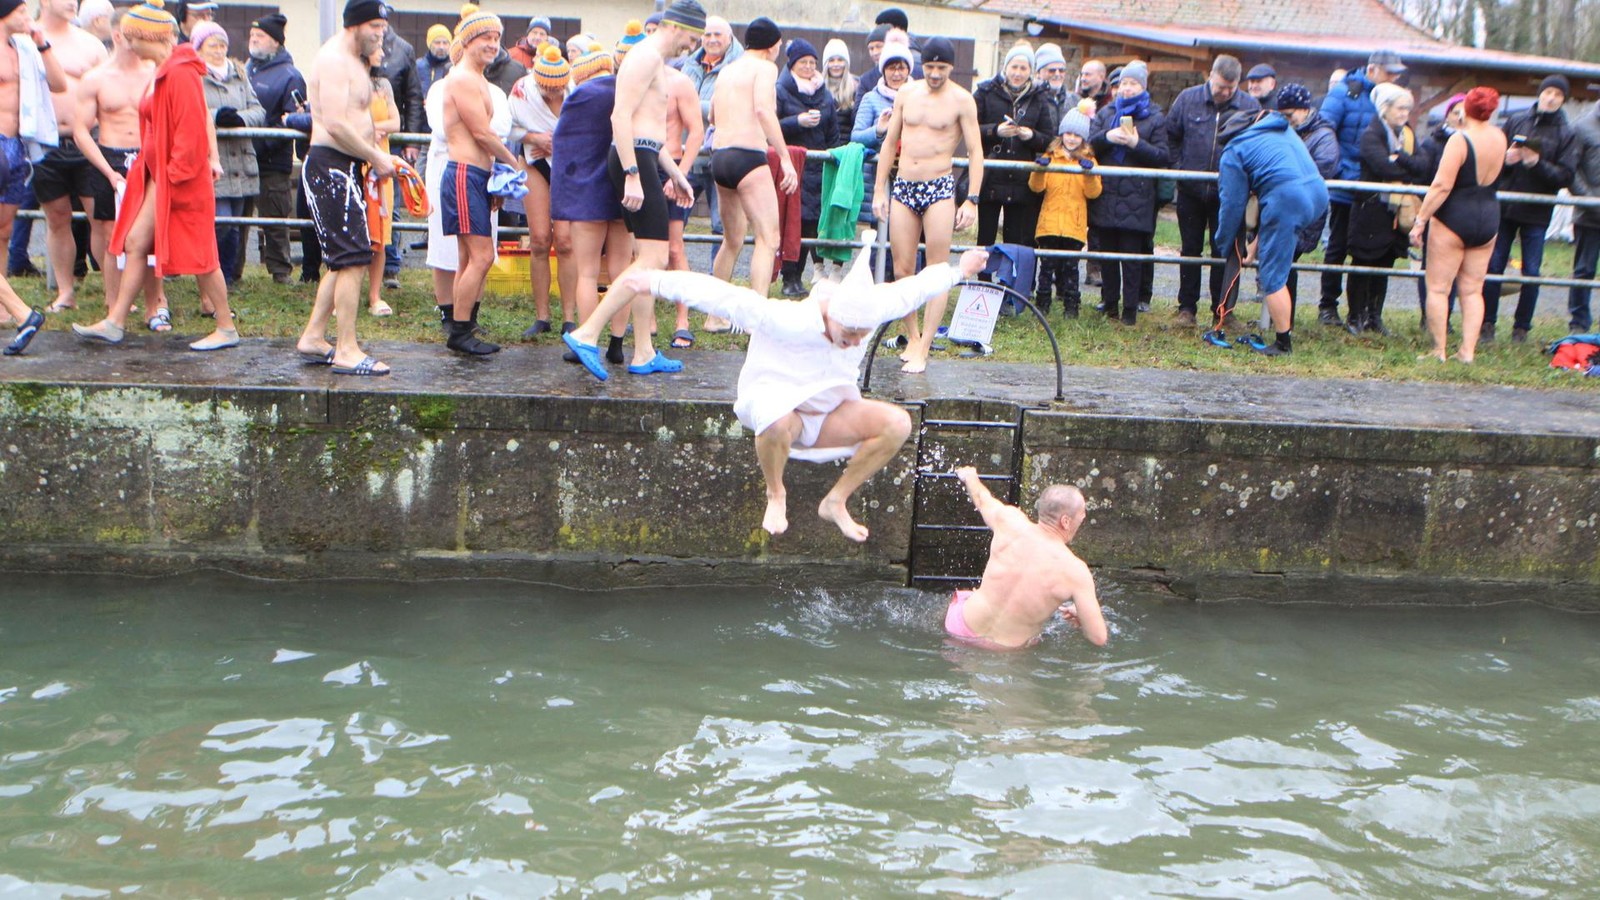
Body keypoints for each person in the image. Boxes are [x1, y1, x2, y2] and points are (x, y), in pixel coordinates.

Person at [567, 233, 990, 542]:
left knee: (896, 423)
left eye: (863, 334)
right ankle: (776, 491)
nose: (856, 340)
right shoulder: (787, 318)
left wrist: (959, 270)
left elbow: (914, 288)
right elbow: (718, 295)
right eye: (849, 332)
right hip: (772, 406)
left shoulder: (874, 308)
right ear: (830, 316)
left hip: (826, 413)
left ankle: (836, 500)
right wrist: (653, 282)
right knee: (774, 417)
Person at [72, 0, 238, 352]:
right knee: (135, 242)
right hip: (159, 177)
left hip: (178, 181)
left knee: (201, 255)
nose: (128, 44)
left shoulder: (179, 73)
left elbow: (191, 133)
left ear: (150, 37)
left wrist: (173, 179)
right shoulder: (164, 70)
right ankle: (115, 321)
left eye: (133, 37)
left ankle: (225, 326)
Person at [563, 0, 703, 376]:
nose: (692, 47)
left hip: (644, 158)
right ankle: (587, 333)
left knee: (645, 258)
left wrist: (676, 173)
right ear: (674, 26)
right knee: (653, 259)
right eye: (692, 38)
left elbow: (648, 132)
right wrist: (631, 173)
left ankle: (643, 351)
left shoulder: (653, 60)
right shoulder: (644, 56)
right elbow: (620, 117)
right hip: (633, 161)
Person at [295, 0, 398, 376]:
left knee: (344, 261)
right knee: (353, 260)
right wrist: (376, 155)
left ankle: (313, 337)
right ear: (354, 24)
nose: (380, 33)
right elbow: (336, 124)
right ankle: (347, 349)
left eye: (383, 27)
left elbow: (360, 121)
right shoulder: (335, 60)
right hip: (329, 167)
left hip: (349, 166)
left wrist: (379, 158)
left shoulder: (359, 61)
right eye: (374, 26)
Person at [871, 36, 983, 374]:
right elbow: (890, 143)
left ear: (951, 67)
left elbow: (976, 151)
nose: (935, 74)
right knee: (903, 269)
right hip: (904, 185)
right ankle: (914, 336)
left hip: (939, 186)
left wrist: (972, 199)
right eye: (930, 67)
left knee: (936, 271)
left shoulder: (962, 100)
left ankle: (926, 346)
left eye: (942, 68)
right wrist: (879, 190)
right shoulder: (907, 93)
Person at [946, 466, 1107, 651]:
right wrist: (1082, 617)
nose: (1082, 520)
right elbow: (1098, 637)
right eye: (1082, 516)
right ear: (1065, 521)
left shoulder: (1010, 520)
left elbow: (982, 499)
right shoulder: (1075, 571)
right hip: (1003, 651)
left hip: (958, 626)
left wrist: (970, 477)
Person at [438, 6, 522, 356]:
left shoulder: (478, 80)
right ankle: (459, 331)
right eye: (485, 37)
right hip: (462, 174)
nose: (493, 44)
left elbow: (484, 139)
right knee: (483, 256)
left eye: (497, 38)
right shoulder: (461, 79)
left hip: (476, 176)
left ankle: (464, 324)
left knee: (468, 258)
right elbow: (482, 134)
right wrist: (513, 163)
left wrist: (497, 177)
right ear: (468, 40)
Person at [1213, 109, 1330, 356]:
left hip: (1287, 199)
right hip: (1317, 193)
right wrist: (1252, 249)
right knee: (1273, 251)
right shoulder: (1280, 129)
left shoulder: (1234, 151)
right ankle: (1283, 333)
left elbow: (1232, 205)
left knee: (1272, 276)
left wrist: (1223, 243)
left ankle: (1283, 343)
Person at [703, 16, 794, 332]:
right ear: (772, 45)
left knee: (732, 240)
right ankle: (758, 319)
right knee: (769, 239)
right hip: (748, 156)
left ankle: (714, 316)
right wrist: (785, 157)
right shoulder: (766, 68)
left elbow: (712, 113)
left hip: (720, 156)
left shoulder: (727, 69)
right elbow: (762, 110)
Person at [72, 7, 161, 323]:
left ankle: (155, 304)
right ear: (118, 35)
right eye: (134, 34)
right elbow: (81, 129)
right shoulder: (96, 78)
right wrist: (106, 170)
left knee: (150, 232)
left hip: (146, 154)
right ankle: (114, 302)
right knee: (110, 232)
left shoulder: (153, 72)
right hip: (109, 154)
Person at [1410, 87, 1506, 363]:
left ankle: (1439, 350)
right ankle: (1467, 351)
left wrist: (1421, 220)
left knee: (1439, 288)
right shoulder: (1500, 137)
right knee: (1473, 289)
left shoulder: (1460, 140)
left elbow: (1441, 186)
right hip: (1488, 216)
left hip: (1454, 217)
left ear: (1466, 108)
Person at [1483, 74, 1578, 343]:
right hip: (1506, 206)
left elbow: (1565, 176)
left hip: (1538, 210)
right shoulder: (1516, 120)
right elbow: (1493, 160)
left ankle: (1521, 328)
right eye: (1548, 92)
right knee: (1494, 264)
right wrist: (1506, 159)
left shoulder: (1566, 133)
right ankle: (1487, 323)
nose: (1551, 98)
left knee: (1532, 270)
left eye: (1558, 95)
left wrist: (1537, 163)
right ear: (1539, 93)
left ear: (1563, 100)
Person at [1167, 55, 1258, 327]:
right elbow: (1171, 135)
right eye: (1221, 86)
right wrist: (1179, 169)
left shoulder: (1249, 107)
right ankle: (1186, 308)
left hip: (1230, 195)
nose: (1225, 93)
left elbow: (1254, 145)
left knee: (1226, 251)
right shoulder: (1187, 99)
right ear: (1211, 76)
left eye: (1231, 88)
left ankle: (1223, 311)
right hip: (1191, 191)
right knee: (1190, 249)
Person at [1318, 49, 1406, 327]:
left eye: (1396, 73)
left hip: (1377, 188)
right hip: (1347, 185)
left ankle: (1366, 311)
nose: (1394, 77)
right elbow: (1324, 131)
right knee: (1338, 245)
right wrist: (1341, 171)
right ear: (1372, 70)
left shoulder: (1393, 99)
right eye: (1389, 72)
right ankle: (1328, 306)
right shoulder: (1344, 94)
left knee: (1374, 249)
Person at [33, 0, 107, 314]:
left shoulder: (89, 44)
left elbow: (109, 85)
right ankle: (65, 291)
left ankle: (113, 290)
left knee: (101, 220)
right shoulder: (24, 42)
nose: (72, 3)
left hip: (88, 140)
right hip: (46, 142)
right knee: (57, 219)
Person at [1086, 60, 1167, 326]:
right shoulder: (1107, 112)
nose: (1127, 88)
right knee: (1107, 253)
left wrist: (1136, 143)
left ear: (1143, 86)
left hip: (1138, 196)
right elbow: (1089, 146)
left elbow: (1162, 156)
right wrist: (1107, 137)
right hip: (1107, 192)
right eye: (1123, 84)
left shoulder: (1155, 117)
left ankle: (1130, 310)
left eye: (1133, 83)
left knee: (1131, 257)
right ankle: (1109, 304)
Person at [1344, 83, 1428, 336]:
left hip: (1395, 211)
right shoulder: (1371, 134)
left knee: (1385, 263)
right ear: (1386, 108)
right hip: (1371, 209)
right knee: (1363, 261)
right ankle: (1355, 315)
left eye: (1407, 109)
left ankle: (1374, 316)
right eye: (1400, 108)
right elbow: (1382, 167)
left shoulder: (1408, 135)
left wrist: (1400, 157)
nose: (1405, 113)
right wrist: (1407, 167)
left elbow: (1423, 165)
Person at [193, 21, 263, 292]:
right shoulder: (194, 75)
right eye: (212, 45)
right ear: (199, 48)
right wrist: (215, 117)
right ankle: (213, 274)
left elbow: (258, 110)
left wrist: (239, 120)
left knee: (235, 224)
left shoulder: (240, 74)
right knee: (219, 221)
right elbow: (188, 110)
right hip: (214, 158)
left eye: (222, 44)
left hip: (242, 158)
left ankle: (229, 277)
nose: (219, 50)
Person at [509, 44, 567, 337]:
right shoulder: (522, 89)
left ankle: (570, 318)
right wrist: (533, 137)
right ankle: (542, 316)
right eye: (546, 90)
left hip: (568, 165)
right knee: (540, 239)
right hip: (534, 161)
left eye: (557, 90)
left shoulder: (575, 88)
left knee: (567, 243)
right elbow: (508, 127)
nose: (552, 95)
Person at [775, 37, 838, 296]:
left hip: (817, 168)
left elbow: (833, 132)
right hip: (790, 165)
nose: (809, 67)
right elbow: (772, 126)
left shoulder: (825, 95)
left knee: (811, 225)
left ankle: (800, 277)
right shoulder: (780, 90)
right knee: (791, 223)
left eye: (813, 62)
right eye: (803, 62)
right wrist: (796, 122)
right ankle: (788, 278)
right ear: (792, 64)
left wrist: (831, 156)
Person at [973, 43, 1051, 250]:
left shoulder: (1039, 97)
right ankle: (984, 279)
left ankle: (1009, 282)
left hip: (1022, 178)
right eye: (1014, 67)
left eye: (1023, 68)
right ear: (1005, 67)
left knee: (1015, 238)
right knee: (986, 236)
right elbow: (969, 128)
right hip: (991, 174)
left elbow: (1049, 138)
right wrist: (995, 131)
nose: (1017, 73)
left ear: (1031, 71)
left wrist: (1031, 136)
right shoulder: (985, 92)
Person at [1029, 103, 1100, 317]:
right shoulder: (1051, 157)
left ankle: (1071, 308)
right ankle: (1042, 307)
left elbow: (1094, 192)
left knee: (1071, 268)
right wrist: (1039, 170)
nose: (1071, 139)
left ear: (1083, 138)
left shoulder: (1089, 160)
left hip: (1074, 225)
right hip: (1049, 223)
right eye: (1068, 133)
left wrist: (1089, 174)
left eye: (1076, 135)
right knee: (1046, 267)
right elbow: (1036, 187)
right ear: (1061, 134)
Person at [1274, 83, 1340, 316]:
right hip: (1284, 205)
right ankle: (1277, 318)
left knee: (1286, 262)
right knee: (1281, 262)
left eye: (1289, 115)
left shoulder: (1323, 136)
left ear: (1304, 110)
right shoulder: (1286, 131)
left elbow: (1324, 167)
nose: (1286, 119)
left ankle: (1283, 320)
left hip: (1305, 209)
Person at [679, 16, 740, 238]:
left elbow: (730, 106)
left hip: (721, 156)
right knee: (674, 221)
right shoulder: (689, 63)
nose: (712, 39)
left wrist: (687, 104)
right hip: (689, 153)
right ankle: (672, 272)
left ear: (730, 38)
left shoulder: (739, 67)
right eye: (707, 34)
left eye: (717, 34)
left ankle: (717, 274)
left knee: (721, 227)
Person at [852, 42, 911, 226]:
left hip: (911, 174)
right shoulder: (871, 98)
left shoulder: (919, 96)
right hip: (881, 177)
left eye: (901, 68)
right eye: (891, 68)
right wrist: (878, 130)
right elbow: (856, 136)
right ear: (883, 70)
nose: (896, 74)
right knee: (880, 233)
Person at [364, 43, 398, 318]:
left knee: (381, 232)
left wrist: (376, 129)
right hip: (357, 160)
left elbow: (396, 122)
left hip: (381, 163)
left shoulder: (383, 84)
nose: (383, 53)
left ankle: (375, 295)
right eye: (378, 48)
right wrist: (366, 132)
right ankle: (342, 298)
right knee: (353, 229)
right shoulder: (348, 80)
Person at [1568, 98, 1600, 334]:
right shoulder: (1582, 126)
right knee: (1584, 269)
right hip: (1589, 215)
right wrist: (1591, 201)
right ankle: (1578, 322)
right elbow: (1572, 169)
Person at [416, 23, 452, 123]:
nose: (441, 47)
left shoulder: (454, 68)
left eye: (445, 43)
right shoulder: (418, 66)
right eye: (437, 43)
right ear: (429, 44)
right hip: (420, 120)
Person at [821, 39, 855, 137]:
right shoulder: (817, 88)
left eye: (840, 60)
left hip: (848, 145)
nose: (836, 64)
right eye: (831, 60)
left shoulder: (856, 87)